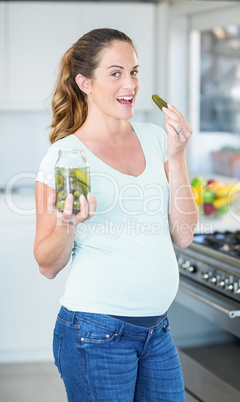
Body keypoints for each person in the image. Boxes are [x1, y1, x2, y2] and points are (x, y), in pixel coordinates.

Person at [34, 28, 198, 402]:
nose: (131, 83)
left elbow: (184, 234)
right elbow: (47, 264)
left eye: (135, 72)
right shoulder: (67, 156)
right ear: (84, 82)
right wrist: (67, 223)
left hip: (157, 333)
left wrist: (176, 155)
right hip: (94, 334)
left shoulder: (157, 139)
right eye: (116, 72)